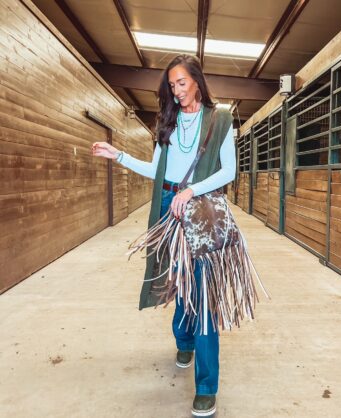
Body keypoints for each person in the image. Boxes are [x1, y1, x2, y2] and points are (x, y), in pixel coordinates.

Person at [91, 54, 236, 417]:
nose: (176, 90)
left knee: (203, 295)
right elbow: (157, 170)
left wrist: (192, 190)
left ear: (197, 81)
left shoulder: (220, 120)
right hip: (166, 205)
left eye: (182, 82)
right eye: (171, 85)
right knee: (178, 282)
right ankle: (183, 341)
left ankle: (206, 387)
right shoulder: (166, 123)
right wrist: (119, 155)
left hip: (201, 208)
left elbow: (229, 171)